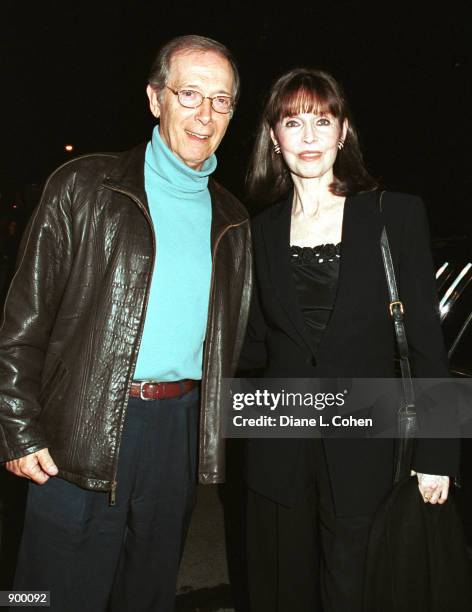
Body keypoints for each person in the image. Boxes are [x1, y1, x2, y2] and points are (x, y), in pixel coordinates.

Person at [0, 34, 252, 612]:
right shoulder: (83, 186)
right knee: (46, 594)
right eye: (189, 93)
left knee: (147, 593)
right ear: (154, 97)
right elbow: (22, 323)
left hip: (176, 433)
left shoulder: (233, 220)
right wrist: (16, 426)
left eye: (221, 100)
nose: (204, 114)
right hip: (78, 422)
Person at [240, 68, 459, 612]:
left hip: (368, 444)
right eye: (294, 122)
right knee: (280, 589)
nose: (309, 137)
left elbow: (427, 343)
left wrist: (437, 452)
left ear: (343, 132)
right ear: (274, 137)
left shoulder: (394, 215)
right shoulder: (257, 230)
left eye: (323, 121)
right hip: (278, 440)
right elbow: (252, 347)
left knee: (358, 589)